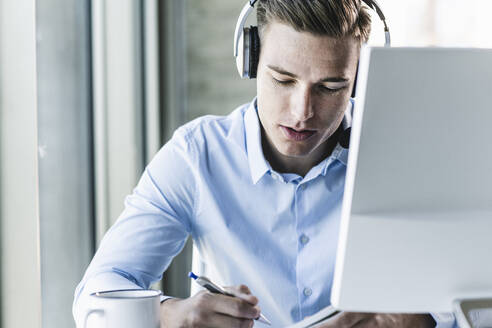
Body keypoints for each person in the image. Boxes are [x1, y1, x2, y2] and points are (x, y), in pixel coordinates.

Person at [73, 1, 456, 327]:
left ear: (360, 79)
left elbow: (476, 295)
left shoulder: (405, 154)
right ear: (251, 59)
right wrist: (172, 314)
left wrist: (418, 318)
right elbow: (93, 297)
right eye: (282, 80)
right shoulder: (196, 156)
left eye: (330, 87)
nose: (301, 112)